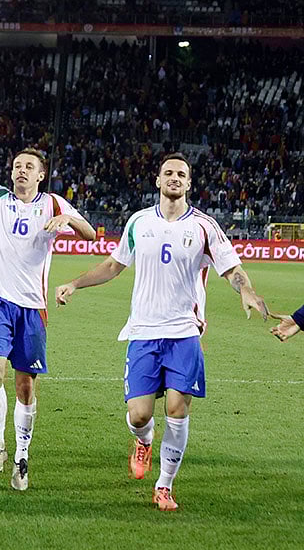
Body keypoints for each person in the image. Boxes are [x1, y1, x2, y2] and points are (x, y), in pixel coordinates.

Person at [55, 152, 269, 511]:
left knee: (177, 408)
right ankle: (144, 441)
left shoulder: (204, 226)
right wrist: (75, 284)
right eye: (168, 172)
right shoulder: (139, 222)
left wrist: (246, 290)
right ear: (157, 180)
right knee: (139, 415)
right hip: (143, 331)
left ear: (188, 183)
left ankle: (165, 486)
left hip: (185, 331)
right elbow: (113, 265)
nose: (174, 178)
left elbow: (232, 269)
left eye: (180, 174)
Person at [0, 99, 96, 490]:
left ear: (41, 175)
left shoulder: (53, 204)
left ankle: (21, 455)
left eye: (28, 167)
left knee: (25, 385)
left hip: (33, 309)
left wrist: (68, 218)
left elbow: (91, 235)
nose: (20, 171)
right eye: (17, 166)